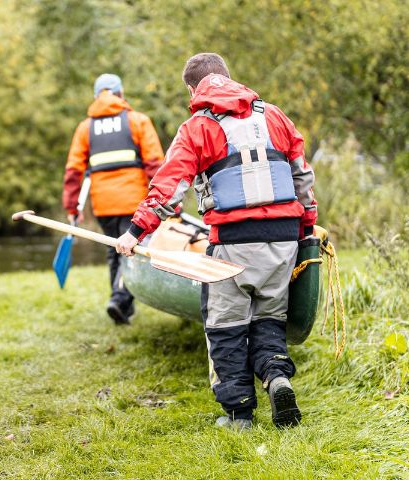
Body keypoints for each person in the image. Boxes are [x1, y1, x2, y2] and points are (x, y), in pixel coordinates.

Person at [116, 53, 317, 429]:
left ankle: (240, 414)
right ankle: (277, 378)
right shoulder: (275, 116)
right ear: (228, 77)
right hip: (284, 240)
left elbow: (169, 188)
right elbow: (302, 178)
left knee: (225, 327)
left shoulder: (197, 127)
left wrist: (135, 232)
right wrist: (306, 231)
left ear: (193, 90)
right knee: (269, 321)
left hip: (232, 242)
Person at [63, 73, 164, 325]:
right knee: (131, 252)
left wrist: (71, 206)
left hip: (104, 204)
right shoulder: (138, 121)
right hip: (135, 203)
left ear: (96, 96)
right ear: (121, 94)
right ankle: (120, 300)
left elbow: (73, 170)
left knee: (113, 252)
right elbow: (155, 164)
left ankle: (120, 306)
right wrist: (164, 199)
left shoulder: (85, 127)